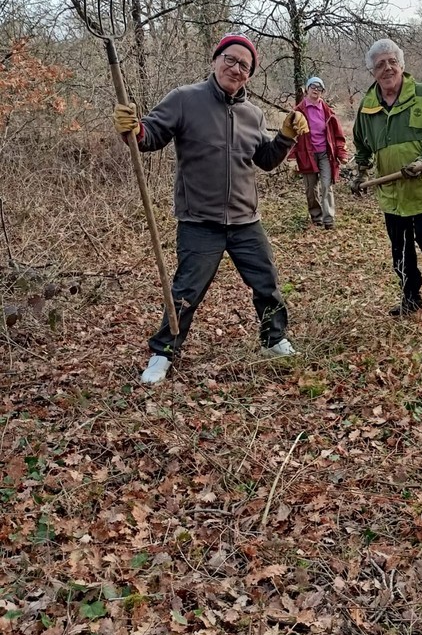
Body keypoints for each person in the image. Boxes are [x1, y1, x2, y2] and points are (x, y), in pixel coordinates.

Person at [112, 32, 309, 385]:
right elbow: (150, 136)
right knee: (186, 292)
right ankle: (163, 352)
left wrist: (285, 138)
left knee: (267, 284)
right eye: (230, 59)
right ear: (216, 59)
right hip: (199, 221)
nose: (236, 68)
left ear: (249, 75)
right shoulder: (185, 99)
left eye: (244, 66)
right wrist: (134, 130)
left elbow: (265, 160)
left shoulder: (253, 114)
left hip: (246, 220)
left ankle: (273, 339)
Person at [351, 38, 422, 316]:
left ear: (402, 65)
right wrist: (360, 172)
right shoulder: (368, 107)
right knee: (401, 247)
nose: (387, 68)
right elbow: (362, 145)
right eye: (380, 64)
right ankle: (410, 296)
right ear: (372, 71)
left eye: (392, 62)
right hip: (392, 192)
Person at [289, 75, 347, 230]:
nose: (316, 90)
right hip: (306, 154)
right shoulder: (298, 111)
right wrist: (292, 158)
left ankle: (329, 220)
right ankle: (316, 217)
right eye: (313, 87)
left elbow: (338, 135)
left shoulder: (328, 112)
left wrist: (341, 153)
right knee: (310, 189)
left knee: (327, 185)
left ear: (323, 91)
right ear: (307, 89)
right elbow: (291, 136)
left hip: (325, 154)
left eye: (319, 88)